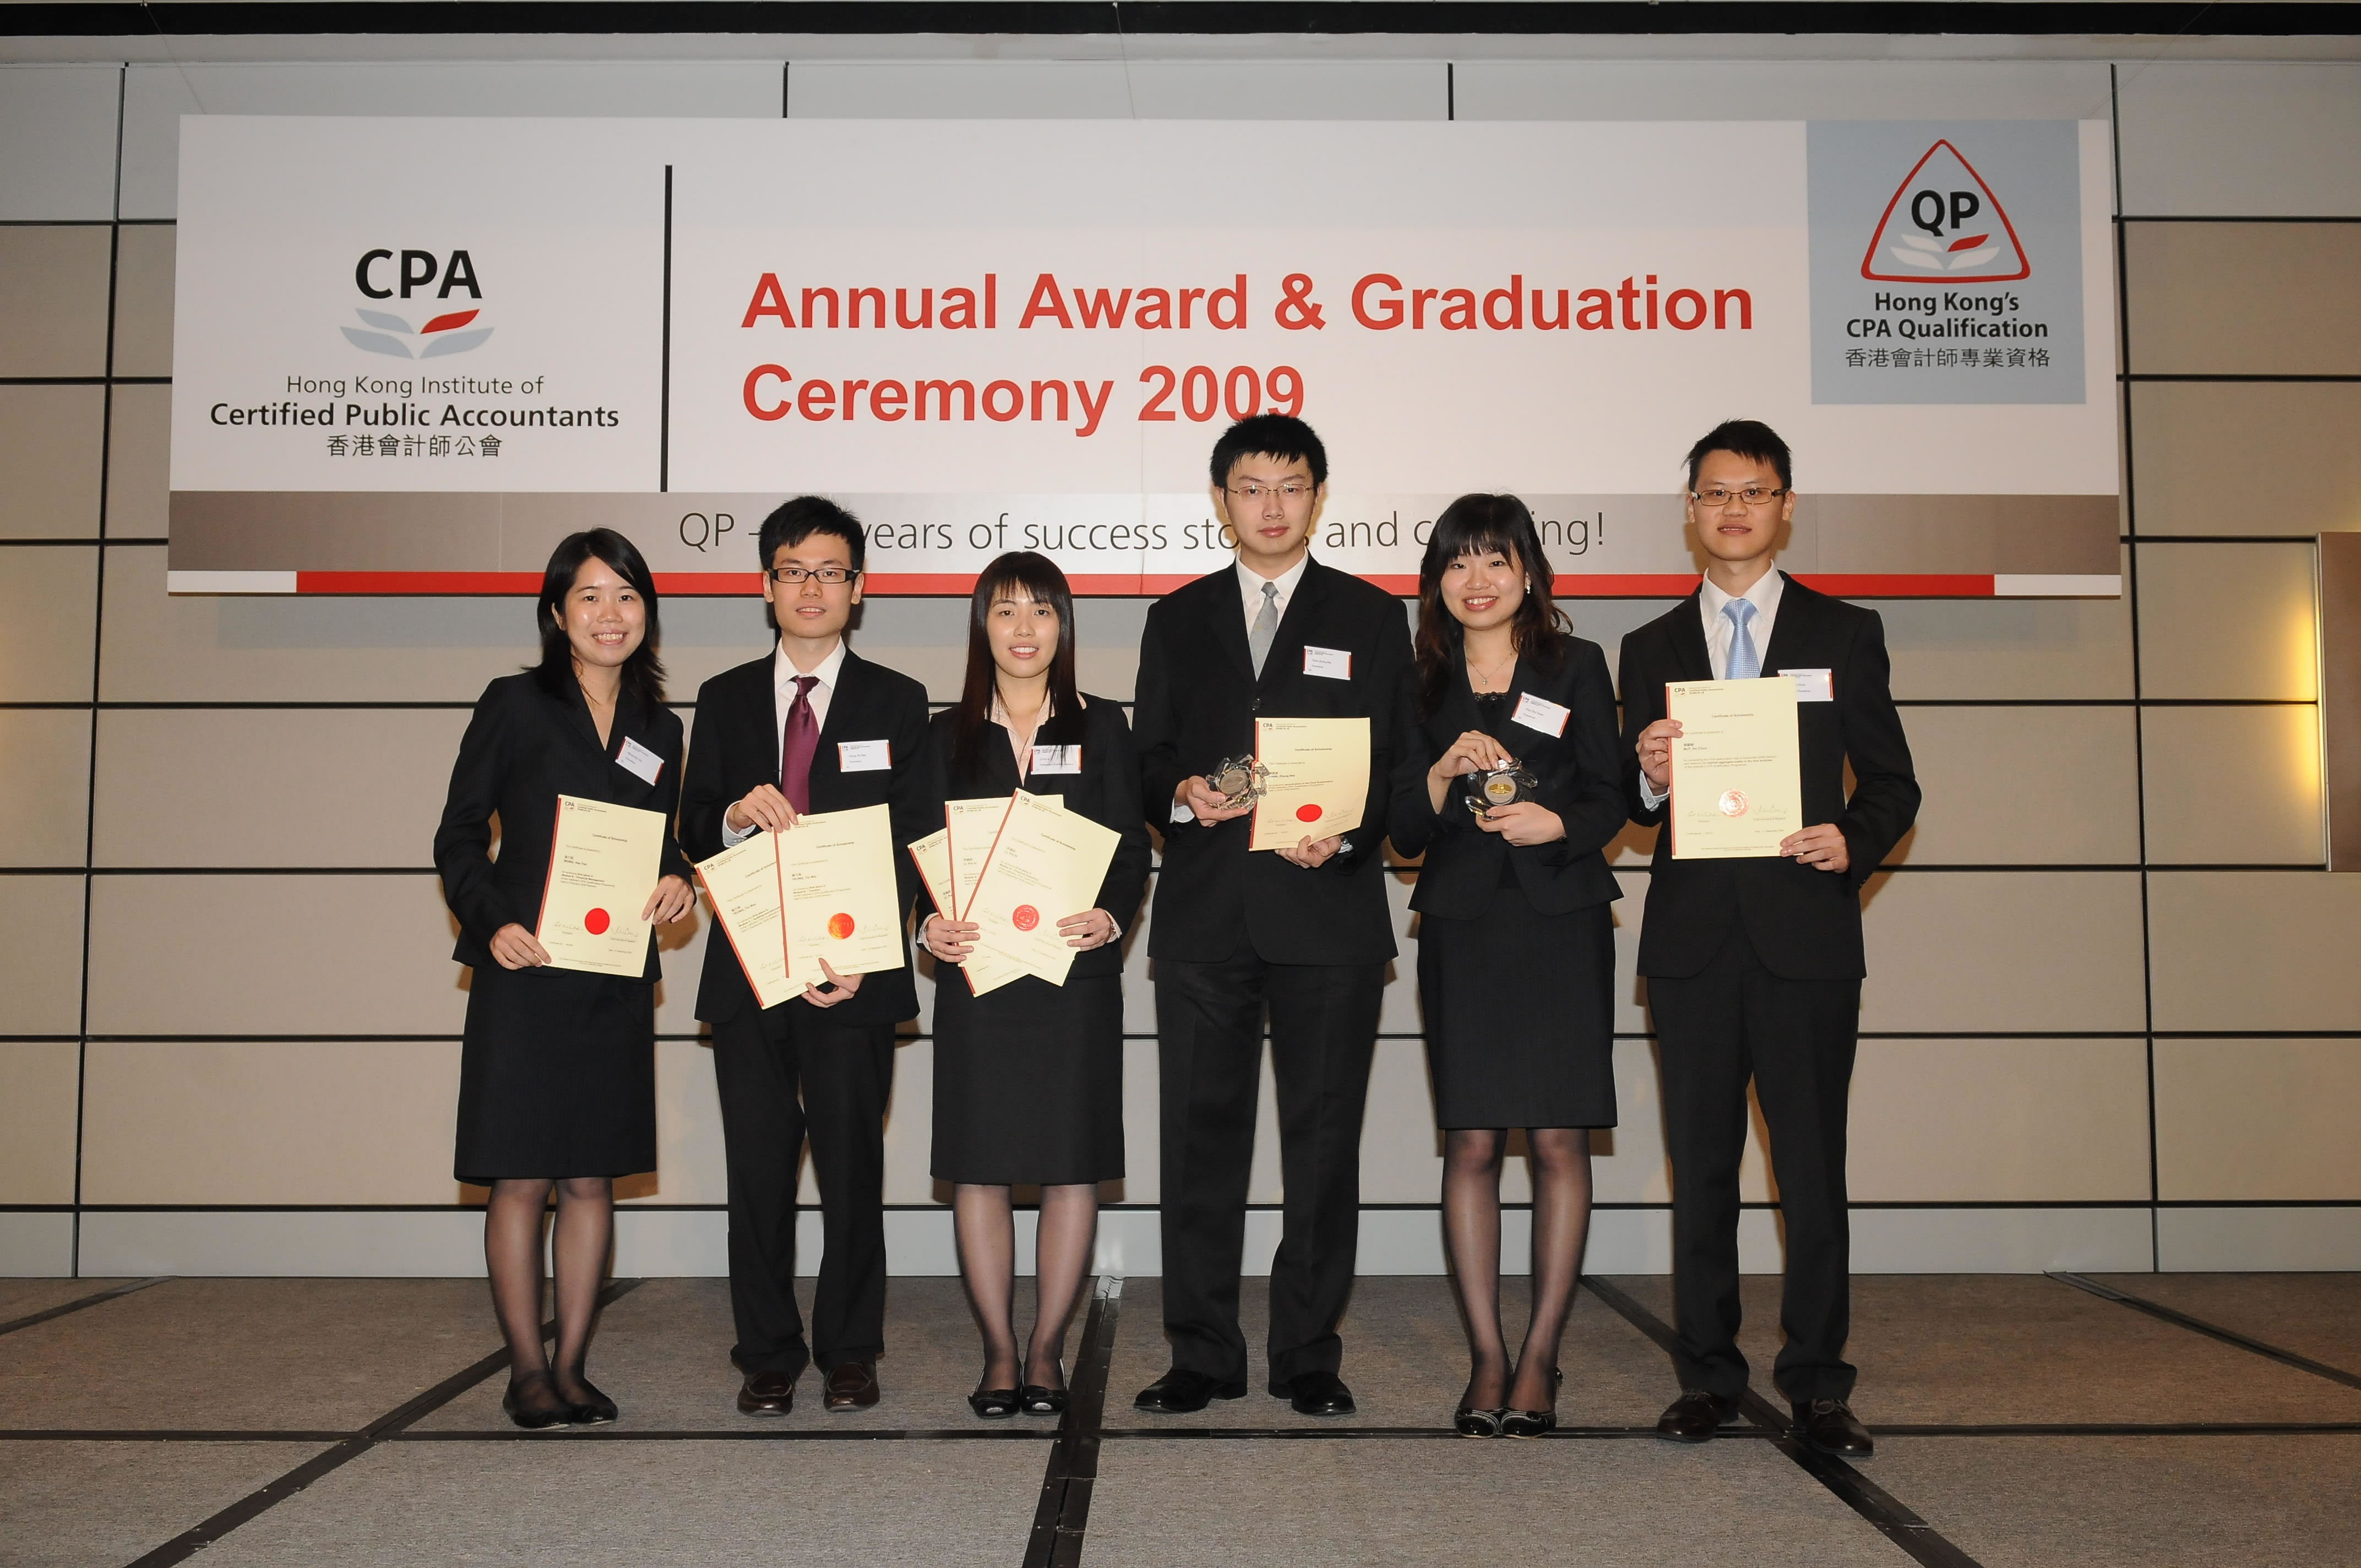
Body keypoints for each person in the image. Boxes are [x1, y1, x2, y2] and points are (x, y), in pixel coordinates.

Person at [1619, 420, 1919, 1460]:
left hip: (1806, 942)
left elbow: (1893, 782)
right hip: (1695, 947)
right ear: (1690, 511)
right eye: (1714, 493)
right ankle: (1706, 1377)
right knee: (1699, 1170)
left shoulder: (1846, 633)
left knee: (1810, 1170)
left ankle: (1820, 1384)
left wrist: (1855, 838)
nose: (1734, 509)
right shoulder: (1648, 648)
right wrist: (1650, 771)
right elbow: (1637, 802)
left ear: (1786, 506)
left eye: (1754, 491)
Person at [1130, 413, 1418, 1419]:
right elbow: (1149, 759)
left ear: (1319, 497)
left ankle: (1307, 1354)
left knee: (1322, 1142)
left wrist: (1346, 836)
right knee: (1198, 1145)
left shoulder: (1374, 617)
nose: (1270, 505)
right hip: (1209, 916)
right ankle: (1201, 1353)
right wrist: (1183, 799)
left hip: (1327, 916)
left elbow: (1398, 769)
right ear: (1222, 502)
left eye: (1290, 486)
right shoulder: (1177, 617)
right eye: (1250, 487)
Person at [434, 529, 696, 1430]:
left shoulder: (662, 727)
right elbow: (459, 836)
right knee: (520, 1179)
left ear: (647, 614)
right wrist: (492, 921)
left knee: (591, 1180)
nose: (610, 614)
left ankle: (575, 1366)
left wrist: (680, 880)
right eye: (590, 597)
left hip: (612, 979)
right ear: (556, 613)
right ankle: (525, 1370)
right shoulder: (514, 704)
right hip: (526, 969)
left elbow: (669, 845)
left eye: (627, 596)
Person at [678, 497, 932, 1417]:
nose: (811, 587)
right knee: (757, 1169)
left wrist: (865, 953)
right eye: (793, 571)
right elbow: (690, 827)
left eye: (830, 571)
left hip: (851, 979)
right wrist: (732, 817)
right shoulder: (723, 697)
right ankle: (767, 1353)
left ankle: (852, 1350)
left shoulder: (899, 702)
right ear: (766, 586)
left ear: (857, 590)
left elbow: (917, 838)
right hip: (749, 968)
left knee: (852, 1167)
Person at [1387, 494, 1626, 1438]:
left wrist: (1559, 822)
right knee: (1474, 1145)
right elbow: (1402, 829)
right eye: (1457, 564)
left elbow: (1617, 799)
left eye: (1495, 561)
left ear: (1528, 570)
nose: (1476, 581)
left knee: (1562, 1143)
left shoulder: (1578, 666)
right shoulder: (1416, 680)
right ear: (1436, 581)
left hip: (1561, 922)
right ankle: (1488, 1354)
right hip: (1464, 926)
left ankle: (1540, 1356)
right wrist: (1441, 772)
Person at [916, 552, 1151, 1419]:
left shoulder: (1103, 726)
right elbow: (916, 852)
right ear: (983, 625)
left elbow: (1131, 848)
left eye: (1042, 612)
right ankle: (998, 1353)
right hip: (978, 979)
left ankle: (1048, 1352)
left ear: (1065, 626)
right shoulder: (946, 735)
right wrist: (926, 926)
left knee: (1069, 1170)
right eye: (1007, 612)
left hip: (1072, 977)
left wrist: (1114, 915)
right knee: (978, 1169)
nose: (1024, 630)